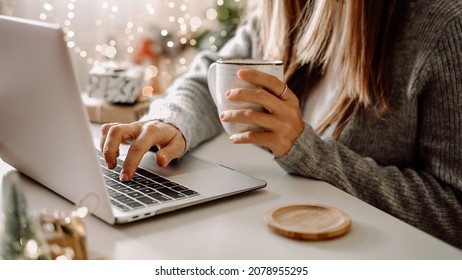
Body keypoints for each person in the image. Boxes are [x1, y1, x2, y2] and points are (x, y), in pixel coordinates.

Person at [100, 0, 462, 249]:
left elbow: (454, 213)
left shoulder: (442, 28)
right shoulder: (282, 11)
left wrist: (304, 150)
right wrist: (172, 122)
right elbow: (209, 78)